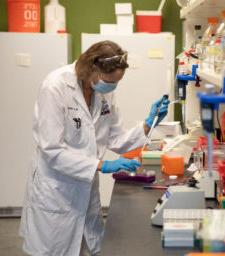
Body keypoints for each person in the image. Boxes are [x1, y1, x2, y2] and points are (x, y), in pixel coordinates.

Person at [19, 40, 170, 256]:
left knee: (88, 248)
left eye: (116, 82)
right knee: (54, 250)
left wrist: (148, 123)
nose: (112, 87)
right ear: (92, 68)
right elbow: (52, 151)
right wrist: (101, 164)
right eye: (110, 81)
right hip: (56, 188)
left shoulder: (103, 90)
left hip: (86, 189)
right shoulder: (55, 86)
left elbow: (116, 139)